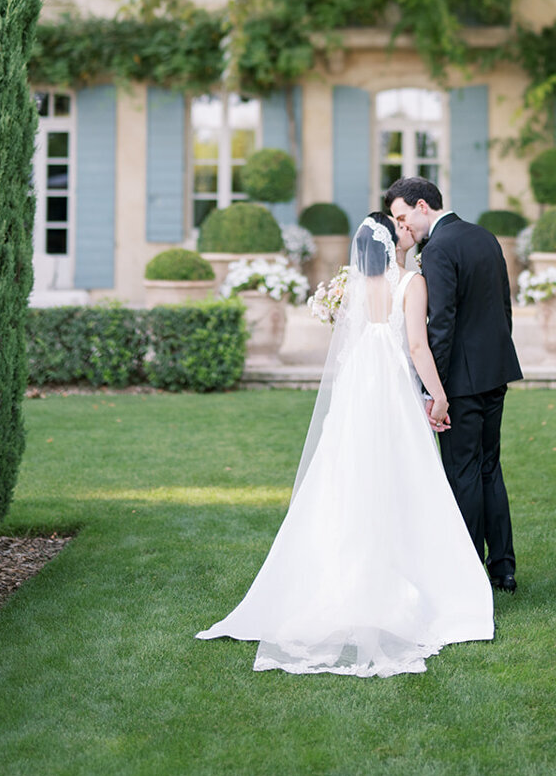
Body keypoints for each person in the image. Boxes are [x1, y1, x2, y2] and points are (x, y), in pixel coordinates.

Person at [195, 212, 494, 676]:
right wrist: (438, 394)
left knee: (346, 472)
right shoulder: (411, 284)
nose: (405, 230)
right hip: (390, 382)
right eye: (398, 227)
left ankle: (340, 574)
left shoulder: (354, 286)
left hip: (358, 382)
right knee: (401, 474)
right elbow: (417, 346)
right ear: (393, 242)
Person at [385, 177, 522, 594]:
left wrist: (434, 392)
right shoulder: (484, 235)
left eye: (403, 217)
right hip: (495, 370)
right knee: (488, 469)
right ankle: (503, 569)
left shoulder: (439, 248)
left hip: (461, 381)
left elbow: (439, 326)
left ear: (423, 205)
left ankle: (466, 572)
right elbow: (503, 307)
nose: (403, 228)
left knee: (462, 472)